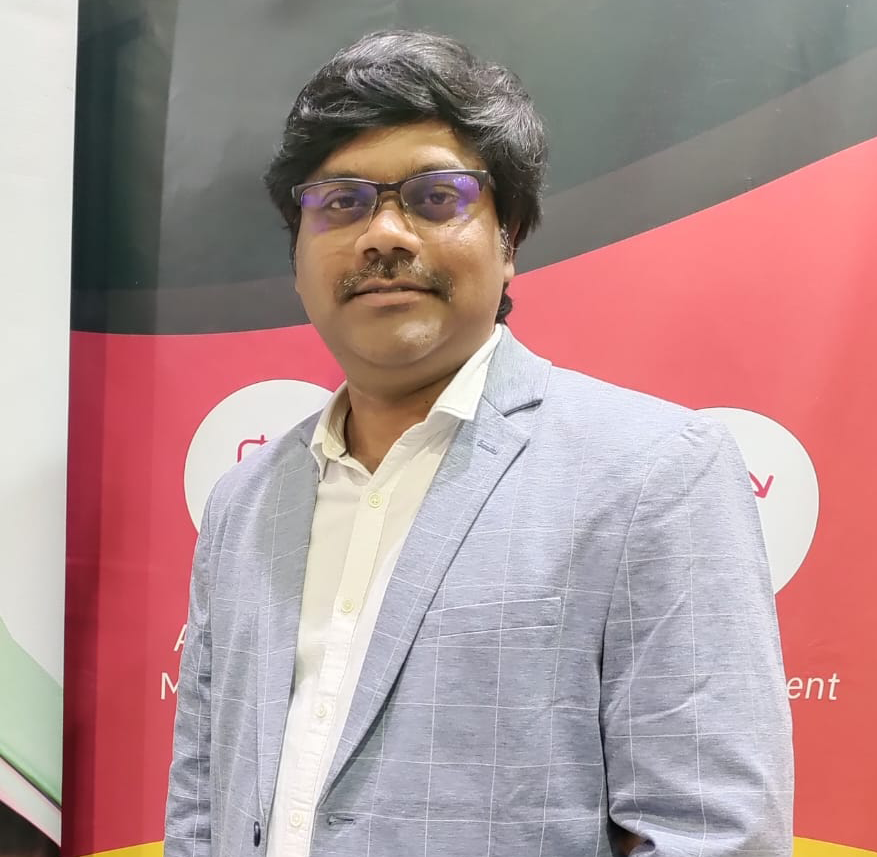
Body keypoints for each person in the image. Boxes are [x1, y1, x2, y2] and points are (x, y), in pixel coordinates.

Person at [164, 29, 793, 857]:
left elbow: (712, 836)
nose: (384, 234)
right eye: (340, 202)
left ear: (509, 238)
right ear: (298, 250)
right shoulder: (243, 501)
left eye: (434, 197)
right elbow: (202, 805)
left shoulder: (655, 473)